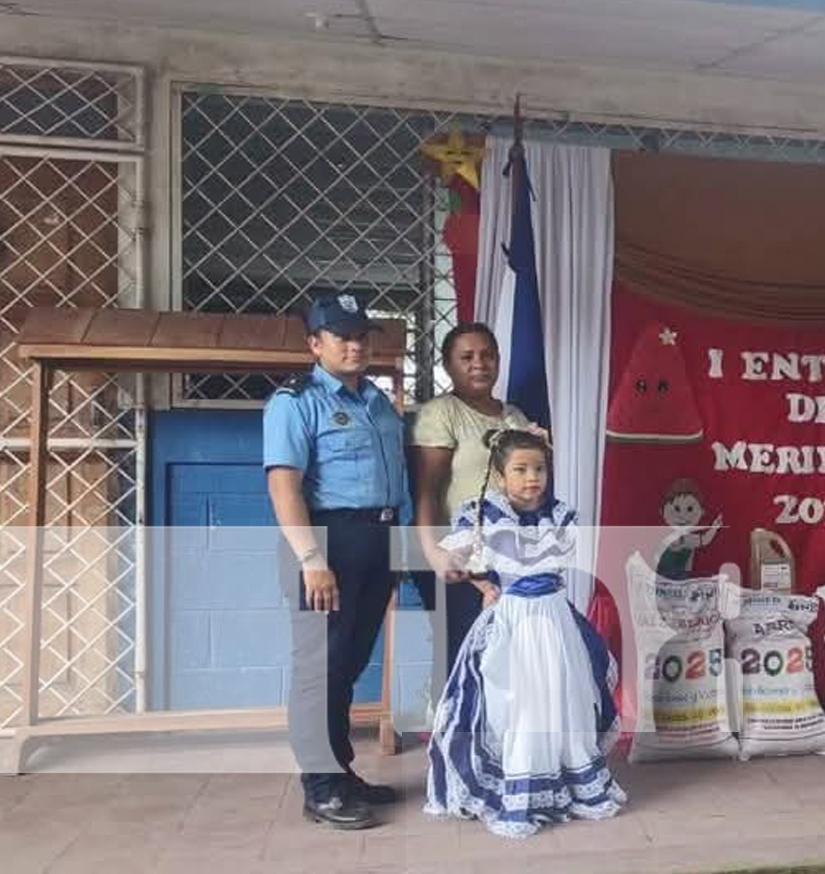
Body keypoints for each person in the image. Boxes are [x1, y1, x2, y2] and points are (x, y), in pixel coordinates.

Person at [424, 428, 625, 838]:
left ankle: (567, 780)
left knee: (562, 698)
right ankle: (524, 787)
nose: (531, 477)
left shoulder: (559, 516)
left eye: (539, 468)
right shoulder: (486, 515)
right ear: (500, 475)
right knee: (519, 702)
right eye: (520, 469)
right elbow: (455, 558)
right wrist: (478, 581)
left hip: (554, 620)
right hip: (515, 620)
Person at [264, 293, 407, 830]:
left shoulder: (376, 401)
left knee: (345, 669)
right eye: (342, 336)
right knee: (318, 672)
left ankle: (340, 773)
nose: (355, 345)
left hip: (377, 541)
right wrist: (311, 558)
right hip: (326, 544)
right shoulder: (294, 402)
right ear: (314, 344)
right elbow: (285, 488)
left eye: (362, 336)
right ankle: (320, 788)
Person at [409, 323, 534, 678]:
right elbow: (427, 491)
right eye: (466, 357)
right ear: (448, 366)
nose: (479, 364)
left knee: (506, 653)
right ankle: (454, 730)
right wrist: (436, 554)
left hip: (504, 556)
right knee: (463, 651)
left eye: (487, 355)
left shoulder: (515, 418)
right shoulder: (441, 413)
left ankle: (495, 732)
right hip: (454, 552)